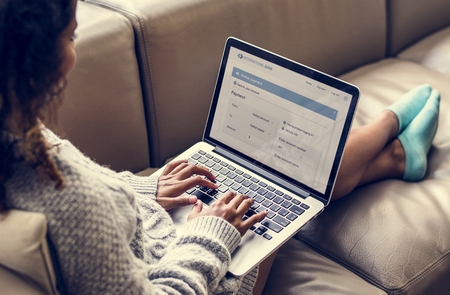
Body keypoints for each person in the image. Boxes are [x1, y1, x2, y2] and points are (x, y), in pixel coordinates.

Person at [0, 0, 440, 294]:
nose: (74, 51)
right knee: (284, 180)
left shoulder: (16, 132)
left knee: (273, 178)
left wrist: (144, 191)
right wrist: (214, 232)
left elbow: (84, 188)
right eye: (72, 36)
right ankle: (389, 127)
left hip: (161, 230)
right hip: (207, 270)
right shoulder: (72, 208)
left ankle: (395, 157)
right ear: (36, 56)